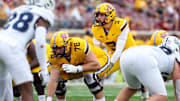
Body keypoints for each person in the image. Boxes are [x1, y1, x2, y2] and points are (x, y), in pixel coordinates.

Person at [0, 0, 55, 101]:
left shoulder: (19, 9)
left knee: (3, 83)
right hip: (13, 47)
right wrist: (43, 69)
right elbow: (40, 41)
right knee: (26, 89)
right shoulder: (45, 14)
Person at [47, 31, 111, 101]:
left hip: (99, 60)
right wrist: (49, 99)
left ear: (67, 45)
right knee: (58, 80)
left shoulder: (79, 45)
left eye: (59, 48)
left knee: (90, 77)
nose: (57, 52)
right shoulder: (52, 55)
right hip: (77, 65)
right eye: (55, 48)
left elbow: (96, 65)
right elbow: (53, 79)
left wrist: (77, 69)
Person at [115, 36, 180, 101]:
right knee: (161, 97)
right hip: (144, 58)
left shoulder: (157, 50)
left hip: (126, 54)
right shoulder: (175, 57)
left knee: (132, 88)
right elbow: (178, 90)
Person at [92, 2, 136, 78]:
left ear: (110, 15)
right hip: (113, 54)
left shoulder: (120, 24)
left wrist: (108, 66)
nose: (99, 17)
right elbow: (97, 50)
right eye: (98, 15)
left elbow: (119, 50)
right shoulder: (96, 28)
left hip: (130, 54)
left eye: (102, 15)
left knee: (138, 77)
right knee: (97, 73)